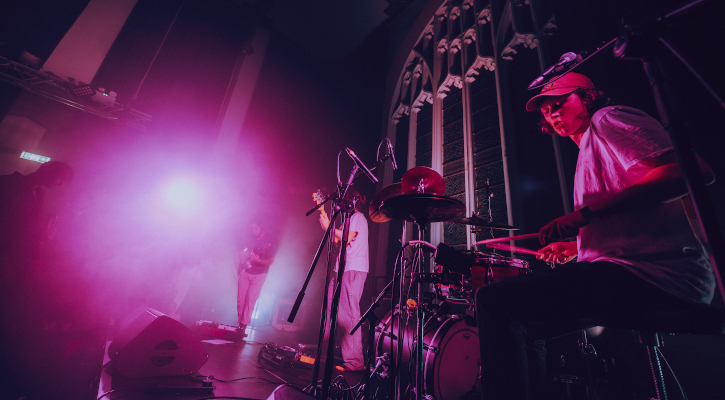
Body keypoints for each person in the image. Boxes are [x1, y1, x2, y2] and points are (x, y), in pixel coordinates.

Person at [474, 72, 716, 400]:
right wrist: (576, 246)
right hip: (636, 271)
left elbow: (690, 172)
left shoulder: (608, 118)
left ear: (588, 97)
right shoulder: (589, 149)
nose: (552, 112)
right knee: (527, 327)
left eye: (560, 102)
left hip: (657, 276)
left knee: (494, 301)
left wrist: (583, 215)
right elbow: (637, 220)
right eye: (546, 109)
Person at [318, 187, 369, 371]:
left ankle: (355, 362)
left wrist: (329, 227)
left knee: (348, 314)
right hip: (340, 268)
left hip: (352, 269)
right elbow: (336, 238)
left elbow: (348, 236)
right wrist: (323, 214)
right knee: (329, 311)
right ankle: (325, 354)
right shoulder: (348, 219)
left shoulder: (358, 217)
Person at [236, 221, 278, 335]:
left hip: (259, 274)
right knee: (240, 300)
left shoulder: (269, 241)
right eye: (252, 229)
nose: (253, 231)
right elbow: (241, 248)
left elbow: (271, 260)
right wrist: (241, 260)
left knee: (250, 299)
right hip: (245, 271)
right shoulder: (250, 239)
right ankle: (240, 322)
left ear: (261, 226)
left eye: (255, 228)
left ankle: (243, 325)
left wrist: (259, 261)